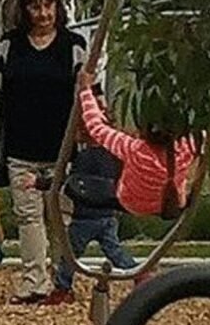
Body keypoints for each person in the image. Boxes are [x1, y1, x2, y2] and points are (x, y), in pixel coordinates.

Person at [0, 0, 87, 304]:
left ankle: (62, 281)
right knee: (28, 217)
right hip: (21, 148)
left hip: (63, 151)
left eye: (48, 5)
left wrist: (86, 147)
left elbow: (86, 99)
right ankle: (34, 281)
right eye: (35, 6)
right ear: (24, 10)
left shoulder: (73, 46)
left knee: (62, 217)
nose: (42, 13)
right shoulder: (10, 45)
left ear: (57, 7)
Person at [72, 63, 201, 242]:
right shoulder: (186, 146)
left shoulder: (136, 150)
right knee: (115, 150)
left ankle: (51, 183)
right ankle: (98, 94)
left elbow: (96, 127)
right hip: (171, 204)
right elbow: (208, 134)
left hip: (131, 203)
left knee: (88, 181)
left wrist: (84, 91)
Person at [37, 97, 139, 302]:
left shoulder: (84, 158)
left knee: (70, 255)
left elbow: (68, 181)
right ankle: (137, 273)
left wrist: (40, 183)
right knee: (114, 250)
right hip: (108, 214)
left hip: (85, 217)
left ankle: (63, 288)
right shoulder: (114, 156)